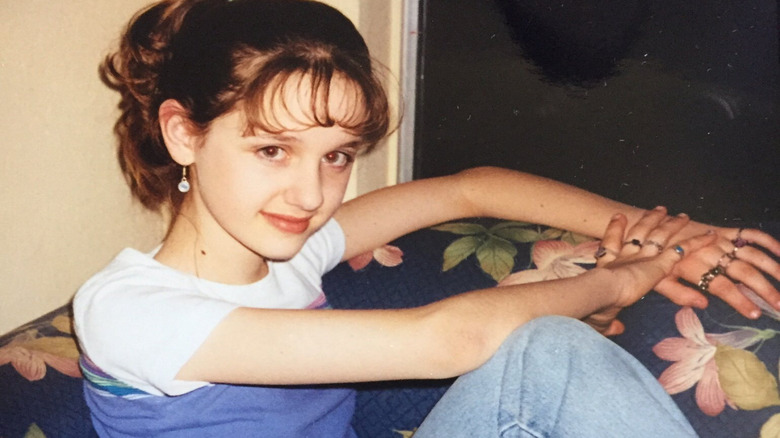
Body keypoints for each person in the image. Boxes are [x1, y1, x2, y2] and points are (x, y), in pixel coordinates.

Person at [72, 0, 780, 436]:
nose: (310, 192)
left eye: (337, 155)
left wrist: (665, 235)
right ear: (184, 133)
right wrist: (625, 279)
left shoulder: (294, 253)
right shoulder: (128, 311)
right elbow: (448, 341)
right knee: (548, 355)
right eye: (271, 149)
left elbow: (469, 191)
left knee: (547, 354)